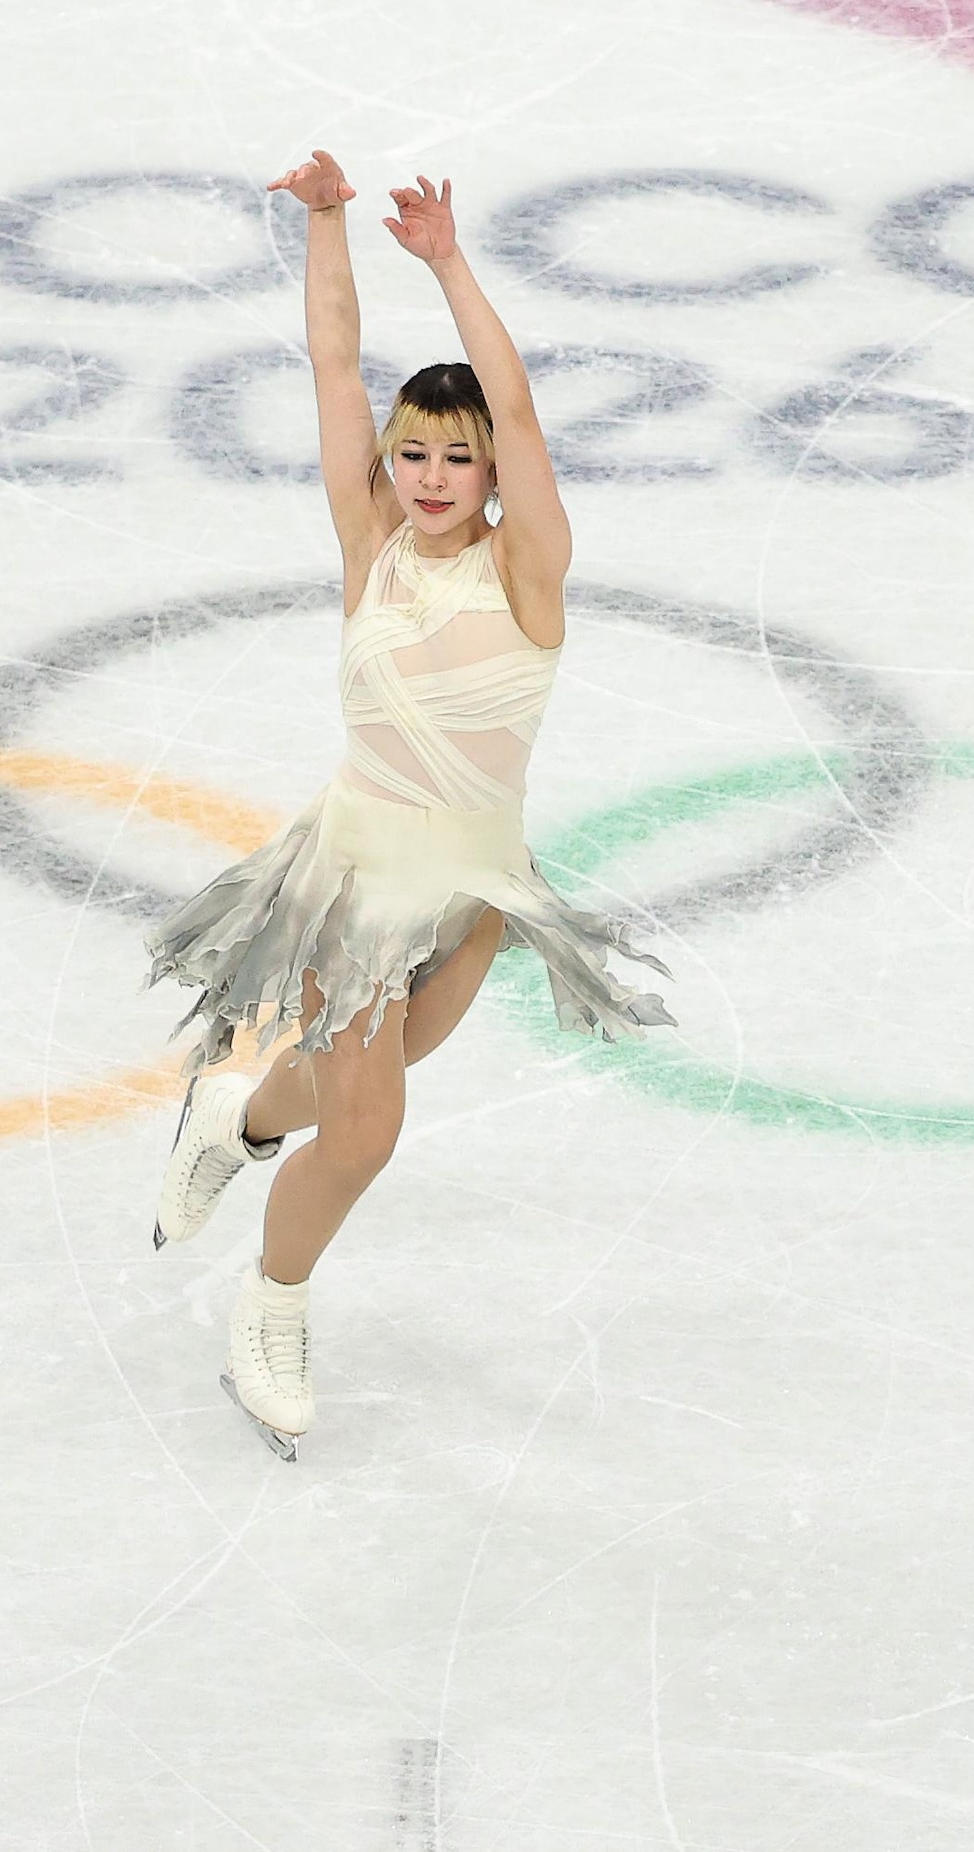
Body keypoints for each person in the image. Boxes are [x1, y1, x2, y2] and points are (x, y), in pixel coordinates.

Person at [142, 153, 669, 1457]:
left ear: (491, 472)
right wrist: (328, 225)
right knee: (369, 1131)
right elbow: (332, 365)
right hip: (359, 877)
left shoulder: (529, 571)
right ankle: (271, 1308)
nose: (431, 475)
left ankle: (238, 1114)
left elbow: (529, 414)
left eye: (456, 456)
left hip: (479, 882)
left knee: (350, 1082)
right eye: (412, 452)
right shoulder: (370, 546)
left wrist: (447, 261)